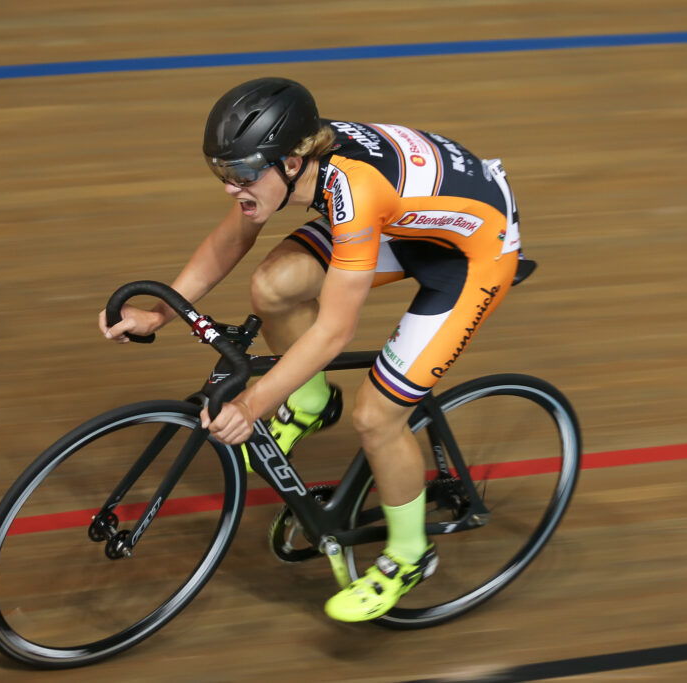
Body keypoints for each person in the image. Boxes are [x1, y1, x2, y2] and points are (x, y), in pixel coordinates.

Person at [99, 77, 522, 622]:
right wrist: (160, 311)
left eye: (244, 173)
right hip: (404, 223)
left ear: (292, 164)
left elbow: (332, 332)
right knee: (272, 287)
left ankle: (411, 555)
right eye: (222, 172)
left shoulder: (353, 190)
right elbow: (233, 238)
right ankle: (311, 403)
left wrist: (252, 406)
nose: (232, 186)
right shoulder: (287, 158)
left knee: (378, 416)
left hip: (473, 254)